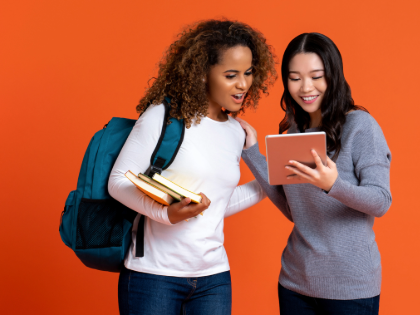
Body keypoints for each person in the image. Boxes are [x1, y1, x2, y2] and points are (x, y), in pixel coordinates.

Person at [108, 19, 276, 315]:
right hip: (154, 276)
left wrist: (273, 171)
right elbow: (118, 181)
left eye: (249, 73)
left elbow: (217, 203)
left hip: (214, 278)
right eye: (231, 75)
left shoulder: (237, 133)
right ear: (202, 74)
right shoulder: (164, 117)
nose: (243, 84)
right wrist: (166, 214)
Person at [236, 32, 391, 315]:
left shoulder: (361, 126)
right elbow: (295, 210)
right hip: (296, 283)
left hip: (350, 287)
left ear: (334, 75)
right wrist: (252, 153)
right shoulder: (295, 132)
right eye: (294, 78)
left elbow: (381, 201)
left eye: (316, 76)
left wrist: (334, 185)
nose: (305, 87)